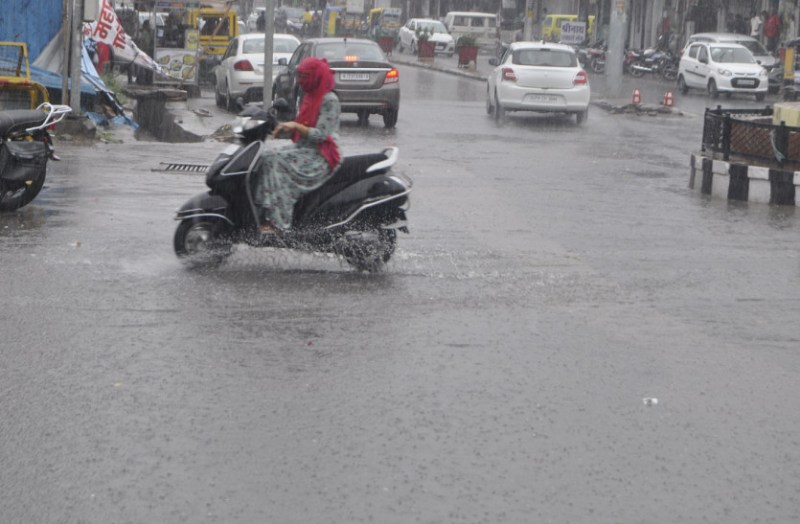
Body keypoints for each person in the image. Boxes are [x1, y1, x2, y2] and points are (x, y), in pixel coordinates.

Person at [256, 57, 341, 233]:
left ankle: (280, 223)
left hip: (321, 155)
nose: (301, 81)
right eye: (300, 76)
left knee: (277, 162)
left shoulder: (329, 100)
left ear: (316, 76)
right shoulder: (309, 96)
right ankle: (263, 210)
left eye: (305, 76)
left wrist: (295, 126)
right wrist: (276, 128)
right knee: (264, 157)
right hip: (303, 149)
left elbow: (320, 135)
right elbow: (301, 128)